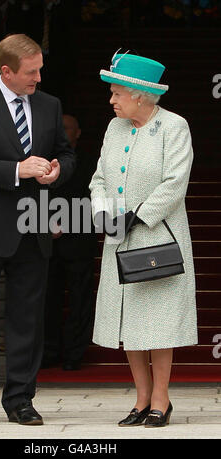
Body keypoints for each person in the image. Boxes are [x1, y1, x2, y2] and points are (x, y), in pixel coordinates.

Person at [0, 33, 75, 427]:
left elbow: (67, 153)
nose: (38, 77)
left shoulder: (50, 105)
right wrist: (16, 169)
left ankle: (21, 400)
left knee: (27, 321)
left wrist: (56, 173)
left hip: (33, 227)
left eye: (40, 69)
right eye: (31, 72)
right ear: (6, 71)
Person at [90, 51, 197, 427]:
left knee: (158, 322)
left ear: (139, 94)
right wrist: (103, 212)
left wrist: (137, 216)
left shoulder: (173, 126)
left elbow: (175, 184)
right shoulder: (114, 128)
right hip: (119, 238)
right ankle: (140, 399)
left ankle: (161, 399)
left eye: (117, 92)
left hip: (157, 235)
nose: (111, 99)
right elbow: (100, 178)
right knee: (128, 322)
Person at [42, 115, 98, 371]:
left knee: (80, 298)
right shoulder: (43, 162)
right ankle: (49, 352)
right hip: (46, 241)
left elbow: (97, 197)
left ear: (77, 134)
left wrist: (68, 222)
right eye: (60, 128)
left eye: (67, 129)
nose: (63, 133)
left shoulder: (90, 163)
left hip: (79, 240)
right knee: (46, 299)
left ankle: (75, 354)